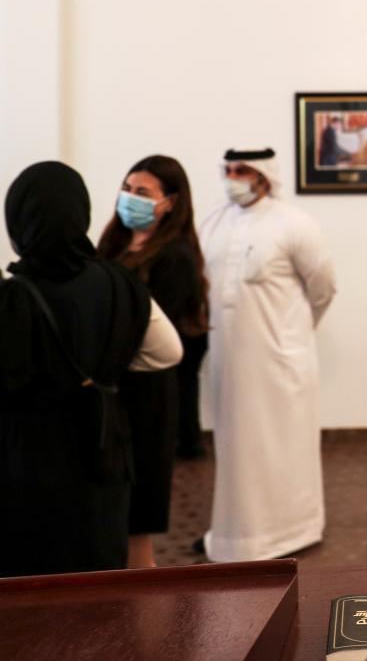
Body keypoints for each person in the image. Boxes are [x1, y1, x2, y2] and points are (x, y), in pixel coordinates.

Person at [0, 161, 182, 577]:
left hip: (26, 460)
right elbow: (167, 352)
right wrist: (107, 372)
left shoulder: (12, 297)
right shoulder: (122, 284)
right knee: (98, 575)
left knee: (30, 582)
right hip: (103, 447)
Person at [199, 148, 336, 562]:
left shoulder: (295, 224)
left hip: (279, 362)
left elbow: (323, 288)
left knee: (282, 445)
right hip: (228, 358)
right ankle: (233, 538)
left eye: (242, 170)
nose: (232, 177)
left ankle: (294, 530)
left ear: (263, 174)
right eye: (227, 169)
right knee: (236, 448)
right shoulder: (213, 222)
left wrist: (290, 334)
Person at [96, 155, 211, 568]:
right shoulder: (113, 243)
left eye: (142, 193)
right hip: (111, 386)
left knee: (138, 510)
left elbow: (150, 326)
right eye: (127, 189)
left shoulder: (175, 256)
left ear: (169, 202)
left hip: (146, 391)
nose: (130, 199)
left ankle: (142, 604)